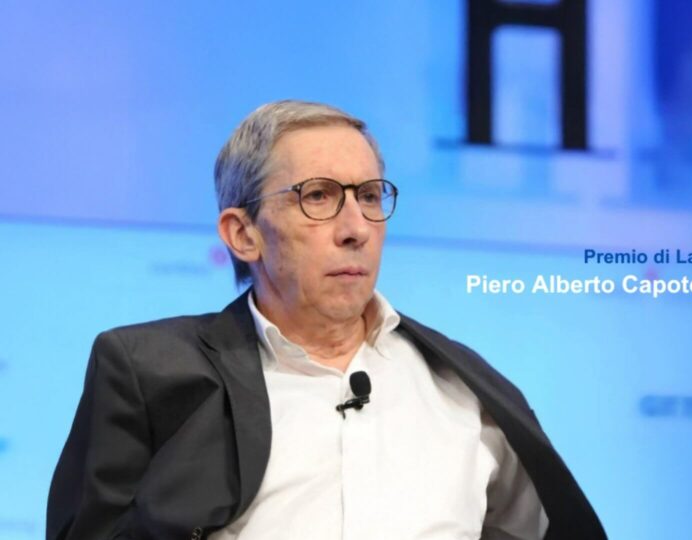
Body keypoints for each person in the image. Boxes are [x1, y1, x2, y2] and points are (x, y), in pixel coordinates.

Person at [46, 100, 606, 540]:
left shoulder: (466, 388)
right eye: (318, 196)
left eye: (370, 196)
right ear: (243, 234)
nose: (356, 227)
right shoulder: (150, 372)